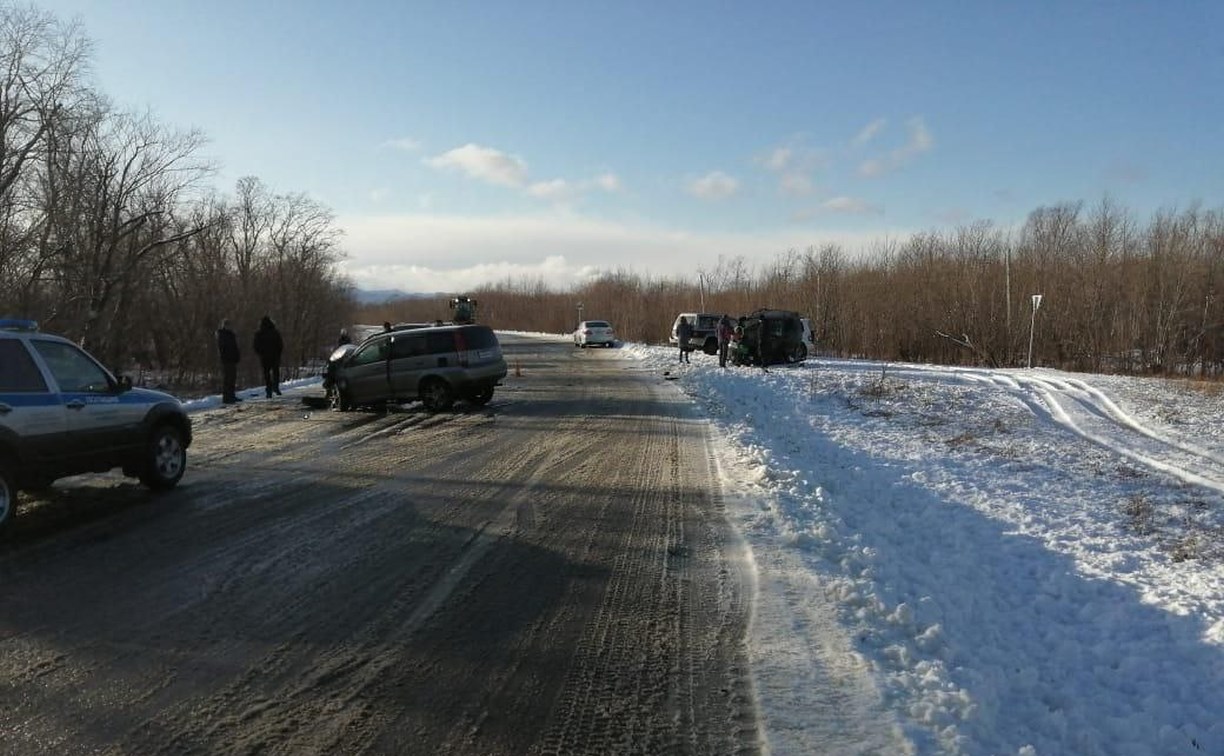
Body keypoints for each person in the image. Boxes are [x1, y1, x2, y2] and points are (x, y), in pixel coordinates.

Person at [253, 315, 284, 399]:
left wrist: (260, 353)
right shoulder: (275, 332)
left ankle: (269, 389)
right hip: (275, 356)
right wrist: (278, 353)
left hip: (264, 356)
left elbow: (255, 345)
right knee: (275, 372)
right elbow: (280, 344)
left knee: (266, 374)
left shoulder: (259, 333)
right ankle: (276, 387)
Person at [216, 319, 241, 404]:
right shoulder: (222, 335)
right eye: (227, 325)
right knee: (227, 379)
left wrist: (236, 356)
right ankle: (226, 398)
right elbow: (222, 348)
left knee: (232, 378)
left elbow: (234, 347)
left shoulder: (231, 334)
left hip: (232, 359)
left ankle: (232, 396)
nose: (229, 327)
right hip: (226, 360)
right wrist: (225, 357)